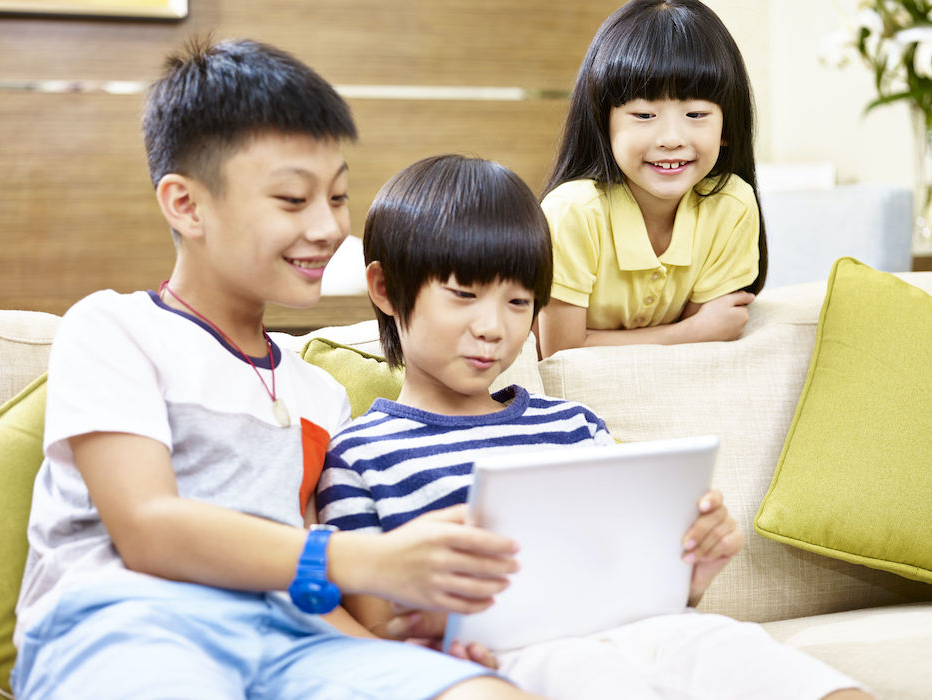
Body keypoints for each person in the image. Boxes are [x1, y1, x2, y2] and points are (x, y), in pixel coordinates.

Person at [11, 38, 545, 700]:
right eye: (293, 200)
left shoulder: (318, 394)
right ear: (185, 204)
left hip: (293, 641)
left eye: (338, 197)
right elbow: (148, 527)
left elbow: (309, 588)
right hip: (129, 623)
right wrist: (365, 559)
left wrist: (418, 654)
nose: (326, 228)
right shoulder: (116, 329)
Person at [317, 154, 871, 699]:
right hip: (516, 656)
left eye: (517, 302)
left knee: (752, 656)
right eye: (463, 295)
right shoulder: (358, 454)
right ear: (387, 289)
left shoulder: (575, 428)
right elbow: (376, 628)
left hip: (652, 633)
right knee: (586, 671)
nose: (492, 328)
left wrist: (691, 574)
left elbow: (640, 589)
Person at [536, 0, 770, 357]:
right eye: (644, 114)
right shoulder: (573, 212)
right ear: (604, 122)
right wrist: (689, 331)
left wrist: (695, 335)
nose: (671, 138)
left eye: (696, 113)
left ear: (727, 126)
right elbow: (559, 353)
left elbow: (702, 355)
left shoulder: (731, 205)